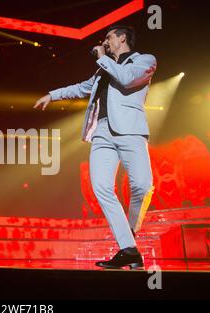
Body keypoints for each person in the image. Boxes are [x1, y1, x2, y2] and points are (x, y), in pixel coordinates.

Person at [33, 25, 156, 269]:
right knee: (100, 186)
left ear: (122, 38)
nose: (105, 42)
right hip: (102, 132)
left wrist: (102, 58)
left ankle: (130, 232)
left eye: (108, 37)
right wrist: (52, 94)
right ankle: (128, 248)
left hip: (130, 130)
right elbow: (81, 87)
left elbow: (127, 79)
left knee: (142, 185)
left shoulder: (144, 60)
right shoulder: (103, 69)